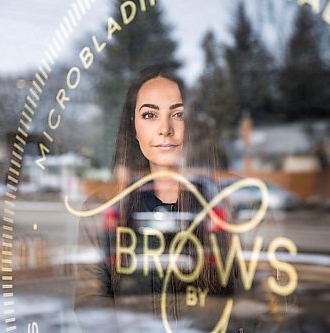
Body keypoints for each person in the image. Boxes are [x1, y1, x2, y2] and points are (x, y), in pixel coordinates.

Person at [74, 64, 234, 332]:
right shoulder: (109, 209)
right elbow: (92, 304)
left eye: (178, 114)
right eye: (149, 115)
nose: (165, 129)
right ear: (134, 128)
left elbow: (247, 298)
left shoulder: (216, 203)